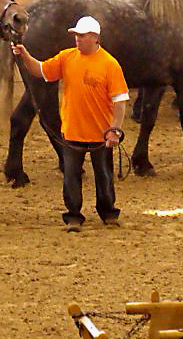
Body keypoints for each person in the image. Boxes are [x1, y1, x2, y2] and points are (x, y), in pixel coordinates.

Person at [12, 16, 129, 232]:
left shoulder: (109, 64)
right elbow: (40, 70)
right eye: (76, 35)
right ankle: (74, 216)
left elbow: (120, 101)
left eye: (82, 36)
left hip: (101, 133)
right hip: (72, 131)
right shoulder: (66, 58)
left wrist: (115, 130)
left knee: (104, 176)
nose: (77, 39)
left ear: (95, 38)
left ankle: (108, 212)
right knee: (71, 177)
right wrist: (25, 55)